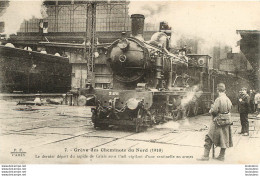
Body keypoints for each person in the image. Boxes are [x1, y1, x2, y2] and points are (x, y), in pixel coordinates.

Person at [197, 83, 233, 161]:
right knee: (224, 138)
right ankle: (221, 156)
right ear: (225, 90)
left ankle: (205, 156)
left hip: (218, 122)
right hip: (226, 121)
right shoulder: (227, 99)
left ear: (217, 90)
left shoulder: (218, 99)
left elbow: (214, 111)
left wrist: (211, 109)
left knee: (209, 137)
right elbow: (230, 107)